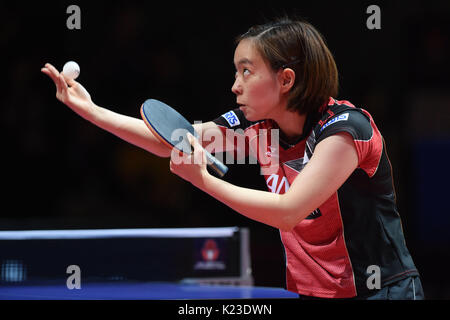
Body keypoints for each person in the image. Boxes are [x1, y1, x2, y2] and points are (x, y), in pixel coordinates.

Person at [41, 17, 423, 300]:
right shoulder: (256, 125)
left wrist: (203, 181)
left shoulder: (344, 130)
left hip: (380, 290)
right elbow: (172, 140)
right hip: (313, 292)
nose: (234, 85)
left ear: (286, 80)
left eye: (246, 71)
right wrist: (91, 111)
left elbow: (288, 210)